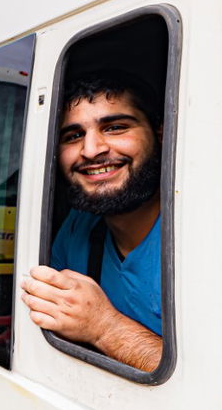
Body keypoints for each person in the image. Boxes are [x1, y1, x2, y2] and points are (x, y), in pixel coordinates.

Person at [20, 70, 164, 372]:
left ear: (161, 134)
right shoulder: (78, 227)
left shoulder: (209, 233)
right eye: (73, 136)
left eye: (115, 127)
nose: (91, 150)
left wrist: (104, 327)